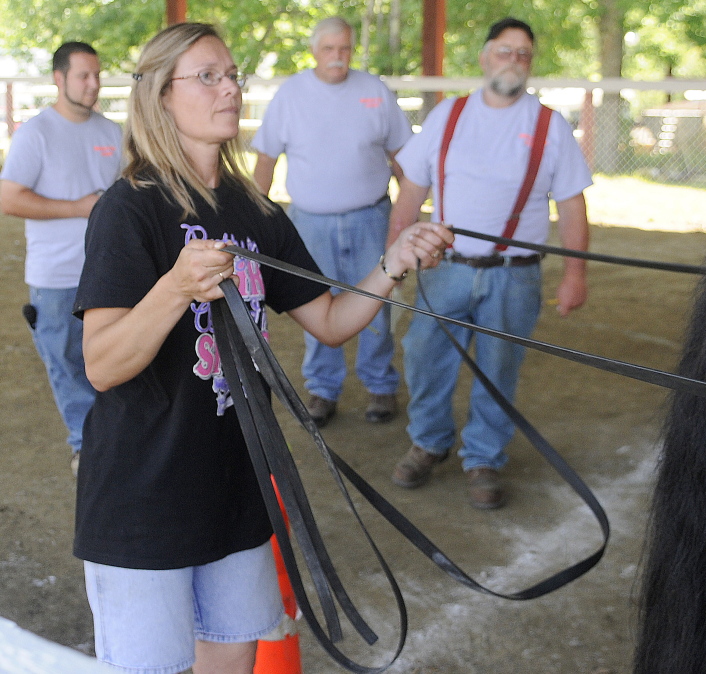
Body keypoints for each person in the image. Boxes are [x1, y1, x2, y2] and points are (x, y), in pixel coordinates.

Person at [72, 23, 450, 674]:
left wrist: (393, 262)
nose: (232, 89)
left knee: (234, 656)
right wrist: (173, 289)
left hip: (236, 480)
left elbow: (329, 321)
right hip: (145, 491)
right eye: (209, 76)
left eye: (234, 73)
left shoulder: (255, 212)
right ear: (163, 95)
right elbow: (102, 365)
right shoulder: (129, 208)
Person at [387, 17, 592, 510]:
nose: (514, 61)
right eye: (505, 51)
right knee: (424, 354)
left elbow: (571, 204)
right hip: (445, 267)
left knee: (499, 367)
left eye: (524, 54)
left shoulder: (549, 125)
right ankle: (429, 441)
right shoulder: (448, 115)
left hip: (515, 275)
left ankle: (483, 457)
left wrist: (574, 273)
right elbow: (412, 189)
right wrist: (394, 254)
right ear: (483, 57)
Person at [252, 16, 413, 427]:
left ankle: (380, 385)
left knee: (376, 303)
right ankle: (323, 388)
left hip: (371, 217)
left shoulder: (374, 90)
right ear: (314, 51)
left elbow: (404, 158)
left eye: (345, 49)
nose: (338, 58)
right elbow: (266, 161)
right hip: (309, 223)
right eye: (329, 49)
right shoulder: (290, 95)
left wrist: (411, 215)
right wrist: (254, 216)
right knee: (315, 304)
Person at [0, 42, 122, 476]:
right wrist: (79, 207)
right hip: (55, 277)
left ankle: (111, 442)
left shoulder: (111, 133)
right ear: (59, 78)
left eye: (97, 75)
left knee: (113, 361)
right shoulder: (36, 133)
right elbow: (9, 198)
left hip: (109, 273)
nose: (93, 84)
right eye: (83, 76)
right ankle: (85, 448)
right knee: (68, 365)